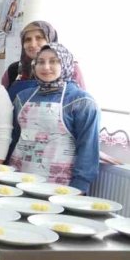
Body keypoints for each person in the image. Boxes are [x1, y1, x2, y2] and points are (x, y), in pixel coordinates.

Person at [9, 43, 100, 192]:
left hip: (60, 185)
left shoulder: (82, 101)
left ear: (65, 64)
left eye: (53, 61)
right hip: (19, 176)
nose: (45, 67)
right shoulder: (22, 97)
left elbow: (88, 148)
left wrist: (80, 186)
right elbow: (14, 137)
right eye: (40, 62)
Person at [4, 20, 86, 97]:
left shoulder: (70, 68)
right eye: (27, 39)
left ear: (51, 40)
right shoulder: (13, 70)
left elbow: (81, 104)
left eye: (39, 38)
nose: (32, 44)